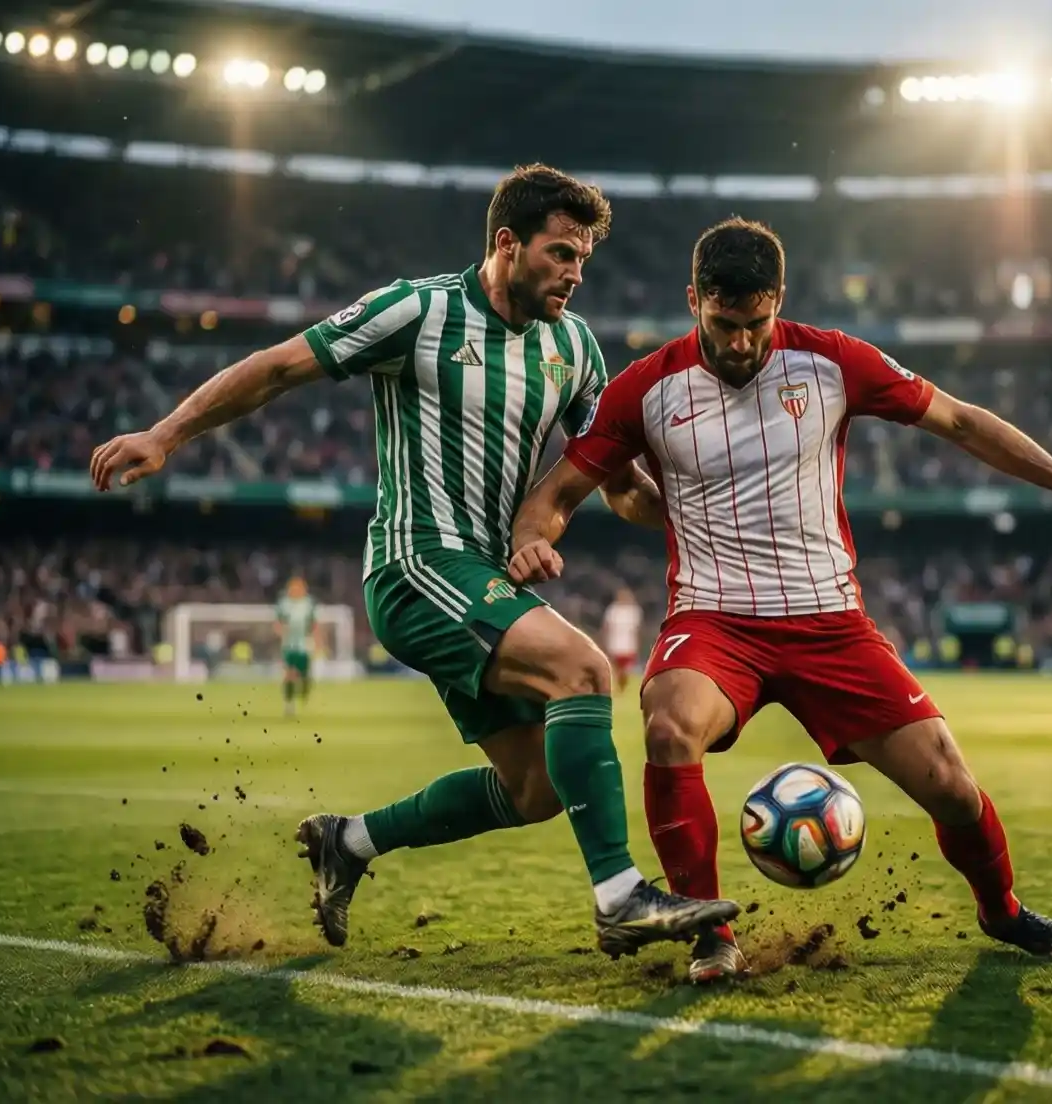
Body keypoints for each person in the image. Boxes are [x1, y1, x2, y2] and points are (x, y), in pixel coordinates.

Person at [89, 165, 738, 958]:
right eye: (562, 253)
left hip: (484, 580)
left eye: (584, 261)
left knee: (533, 789)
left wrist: (686, 508)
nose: (575, 274)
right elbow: (280, 365)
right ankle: (618, 898)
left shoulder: (572, 347)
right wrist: (166, 434)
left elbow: (615, 486)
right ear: (507, 243)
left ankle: (349, 842)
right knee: (585, 670)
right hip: (415, 564)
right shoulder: (418, 309)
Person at [510, 217, 1052, 982]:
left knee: (951, 785)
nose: (744, 342)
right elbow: (557, 491)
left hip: (830, 624)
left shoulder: (832, 362)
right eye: (725, 323)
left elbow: (960, 421)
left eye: (757, 323)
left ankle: (1003, 911)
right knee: (669, 724)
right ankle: (712, 936)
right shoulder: (646, 388)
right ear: (694, 301)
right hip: (714, 621)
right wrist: (534, 537)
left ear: (779, 301)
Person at [275, 575, 317, 717]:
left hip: (304, 645)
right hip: (289, 645)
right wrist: (281, 632)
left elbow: (313, 623)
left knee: (304, 676)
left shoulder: (308, 604)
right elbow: (279, 622)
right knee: (289, 675)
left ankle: (304, 690)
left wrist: (317, 640)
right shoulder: (284, 604)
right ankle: (289, 704)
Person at [602, 587, 644, 693]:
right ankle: (618, 688)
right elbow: (606, 627)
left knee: (625, 670)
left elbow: (638, 629)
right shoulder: (613, 610)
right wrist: (605, 641)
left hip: (629, 644)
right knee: (616, 668)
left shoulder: (634, 611)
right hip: (615, 643)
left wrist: (638, 644)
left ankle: (622, 686)